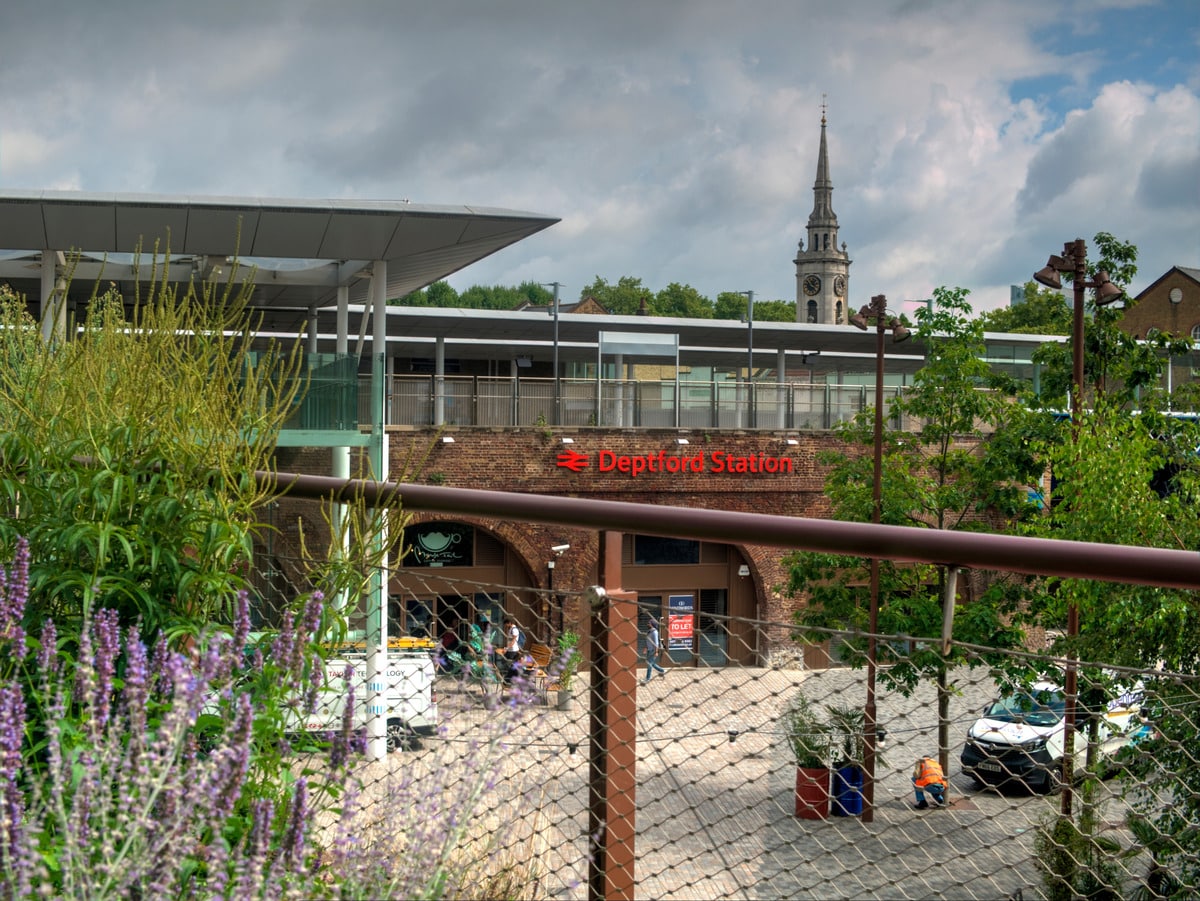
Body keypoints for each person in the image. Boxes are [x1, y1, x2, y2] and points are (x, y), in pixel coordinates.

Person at [644, 617, 667, 683]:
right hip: (649, 649)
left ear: (652, 624)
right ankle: (662, 670)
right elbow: (648, 640)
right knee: (652, 663)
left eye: (649, 623)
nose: (647, 624)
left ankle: (647, 678)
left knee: (649, 664)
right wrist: (645, 647)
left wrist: (656, 651)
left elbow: (656, 643)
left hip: (653, 651)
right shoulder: (649, 631)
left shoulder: (654, 632)